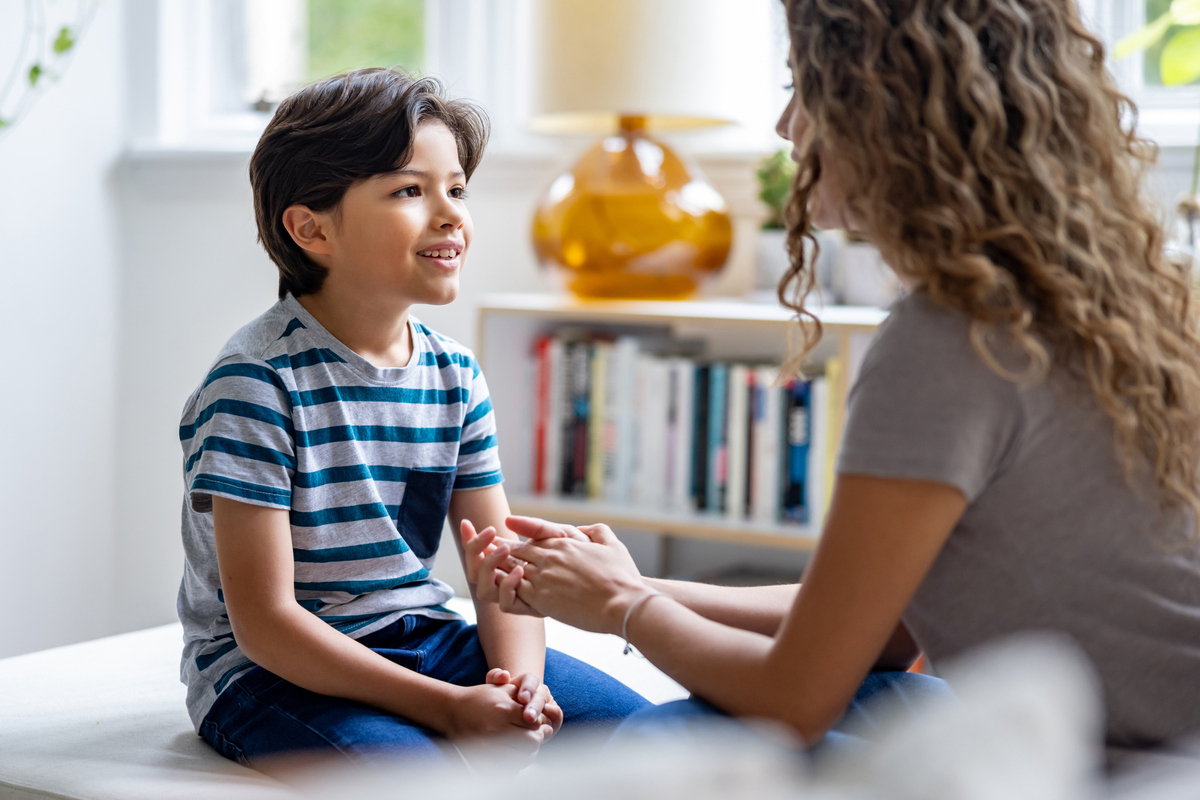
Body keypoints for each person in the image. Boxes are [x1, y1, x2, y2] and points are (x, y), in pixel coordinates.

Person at [465, 0, 1200, 760]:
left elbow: (793, 701)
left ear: (884, 111)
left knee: (667, 739)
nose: (787, 126)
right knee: (854, 700)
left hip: (1133, 765)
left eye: (802, 89)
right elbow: (882, 631)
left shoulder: (948, 340)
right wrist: (616, 582)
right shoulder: (1108, 300)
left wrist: (624, 604)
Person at [176, 68, 648, 770]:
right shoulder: (256, 383)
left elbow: (502, 572)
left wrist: (521, 690)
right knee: (419, 777)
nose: (451, 213)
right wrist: (449, 710)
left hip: (426, 637)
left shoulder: (454, 375)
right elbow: (267, 627)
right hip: (269, 675)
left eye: (456, 188)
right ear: (311, 228)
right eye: (409, 190)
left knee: (649, 738)